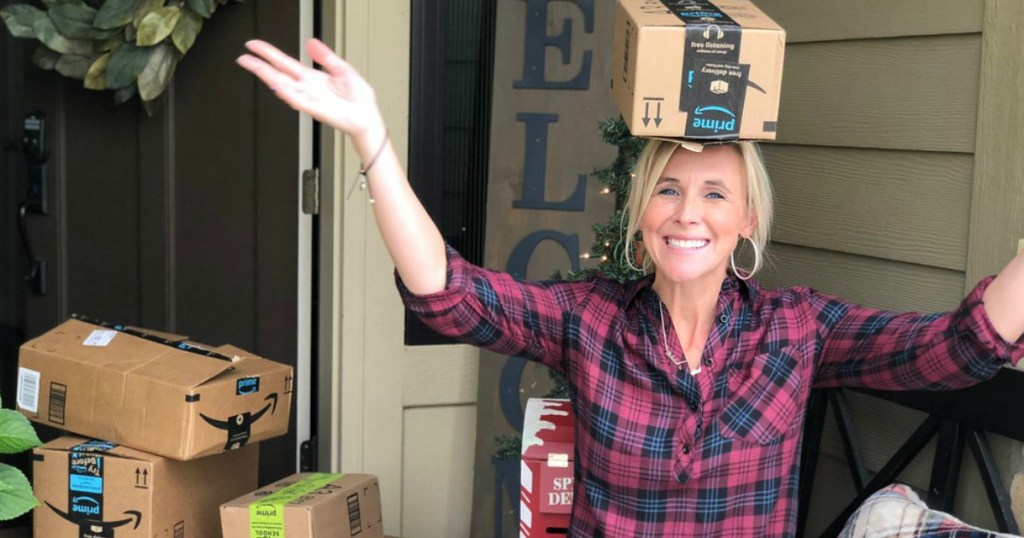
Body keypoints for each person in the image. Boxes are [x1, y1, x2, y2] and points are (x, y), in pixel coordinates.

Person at [237, 38, 1024, 537]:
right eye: (668, 190)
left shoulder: (800, 329)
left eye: (714, 193)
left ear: (747, 219)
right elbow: (448, 292)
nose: (688, 214)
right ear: (641, 214)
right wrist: (373, 143)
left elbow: (959, 348)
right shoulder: (589, 319)